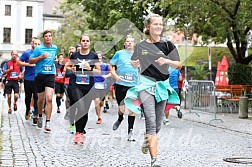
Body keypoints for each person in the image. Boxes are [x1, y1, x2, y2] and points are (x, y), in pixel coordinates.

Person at [126, 13, 182, 167]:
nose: (159, 27)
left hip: (162, 86)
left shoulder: (168, 44)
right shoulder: (141, 46)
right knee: (151, 122)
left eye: (161, 24)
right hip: (145, 85)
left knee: (157, 125)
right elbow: (133, 61)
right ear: (148, 27)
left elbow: (179, 65)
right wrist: (134, 64)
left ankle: (147, 140)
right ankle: (154, 160)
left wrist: (167, 60)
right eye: (156, 24)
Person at [66, 34, 100, 144]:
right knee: (80, 106)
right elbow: (67, 66)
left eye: (87, 41)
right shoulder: (75, 55)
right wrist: (72, 69)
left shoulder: (93, 56)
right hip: (76, 85)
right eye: (83, 40)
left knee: (84, 110)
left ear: (90, 43)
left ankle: (80, 133)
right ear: (80, 42)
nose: (85, 42)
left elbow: (98, 71)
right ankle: (77, 132)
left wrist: (90, 68)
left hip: (88, 86)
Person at [109, 35, 138, 141]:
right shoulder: (119, 53)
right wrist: (115, 76)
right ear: (125, 44)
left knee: (132, 110)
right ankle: (120, 117)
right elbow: (111, 66)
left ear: (134, 44)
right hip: (120, 84)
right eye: (128, 41)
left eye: (131, 41)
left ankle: (130, 133)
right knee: (121, 109)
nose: (130, 43)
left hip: (133, 85)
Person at [29, 30, 58, 133]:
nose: (48, 38)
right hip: (40, 75)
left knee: (49, 98)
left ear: (51, 37)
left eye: (50, 36)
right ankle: (40, 116)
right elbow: (30, 61)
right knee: (40, 99)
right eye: (46, 36)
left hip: (50, 75)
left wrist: (55, 61)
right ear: (43, 38)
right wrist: (41, 57)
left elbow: (54, 58)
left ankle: (48, 122)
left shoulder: (55, 48)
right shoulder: (38, 48)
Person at [17, 37, 40, 125]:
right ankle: (27, 109)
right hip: (28, 79)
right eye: (35, 43)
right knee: (28, 97)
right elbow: (18, 62)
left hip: (38, 79)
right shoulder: (27, 53)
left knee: (36, 97)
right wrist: (28, 64)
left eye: (38, 44)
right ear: (32, 44)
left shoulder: (40, 54)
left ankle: (36, 115)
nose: (37, 45)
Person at [93, 51, 111, 124]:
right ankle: (99, 117)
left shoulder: (105, 65)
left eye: (100, 56)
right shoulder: (92, 66)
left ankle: (99, 108)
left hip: (103, 85)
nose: (99, 58)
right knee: (97, 101)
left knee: (101, 103)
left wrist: (106, 76)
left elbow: (112, 72)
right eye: (97, 57)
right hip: (94, 85)